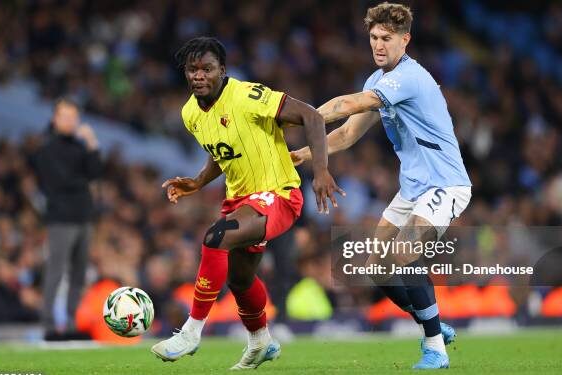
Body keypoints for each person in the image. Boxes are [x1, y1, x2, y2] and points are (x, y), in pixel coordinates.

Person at [290, 2, 471, 369]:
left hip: (445, 184)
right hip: (412, 188)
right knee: (376, 268)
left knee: (405, 253)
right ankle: (432, 323)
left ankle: (435, 346)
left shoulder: (410, 78)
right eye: (373, 37)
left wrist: (301, 116)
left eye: (386, 38)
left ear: (405, 40)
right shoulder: (378, 81)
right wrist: (301, 155)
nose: (378, 45)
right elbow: (346, 134)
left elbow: (346, 105)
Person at [151, 37, 342, 369]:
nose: (199, 76)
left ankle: (191, 331)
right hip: (240, 200)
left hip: (279, 194)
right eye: (192, 70)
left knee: (215, 238)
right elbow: (221, 153)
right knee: (239, 279)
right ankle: (261, 341)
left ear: (222, 70)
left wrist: (321, 170)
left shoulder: (248, 95)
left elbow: (311, 116)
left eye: (207, 69)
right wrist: (197, 181)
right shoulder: (190, 114)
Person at [32, 98, 101, 340]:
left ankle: (71, 323)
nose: (71, 122)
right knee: (56, 271)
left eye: (74, 117)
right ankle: (49, 324)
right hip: (61, 218)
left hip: (83, 217)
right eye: (65, 116)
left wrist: (92, 143)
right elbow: (59, 182)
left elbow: (95, 173)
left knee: (79, 273)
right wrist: (84, 185)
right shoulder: (47, 148)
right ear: (55, 119)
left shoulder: (80, 146)